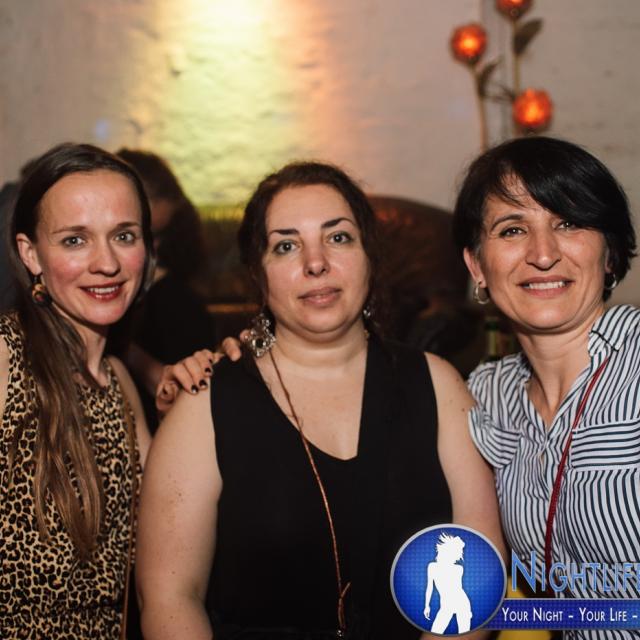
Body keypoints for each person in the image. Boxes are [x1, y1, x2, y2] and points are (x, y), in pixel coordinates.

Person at [137, 161, 504, 639]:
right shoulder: (204, 403)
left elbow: (478, 562)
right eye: (286, 246)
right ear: (258, 274)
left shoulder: (439, 384)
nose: (316, 263)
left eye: (338, 237)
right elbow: (169, 598)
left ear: (370, 256)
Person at [453, 136, 639, 636]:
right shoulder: (488, 395)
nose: (542, 254)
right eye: (513, 229)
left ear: (609, 253)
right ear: (477, 266)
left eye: (569, 223)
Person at [0, 142, 157, 639]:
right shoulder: (5, 360)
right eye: (75, 240)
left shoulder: (120, 383)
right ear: (31, 254)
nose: (107, 263)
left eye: (124, 236)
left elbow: (170, 533)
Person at [116, 148, 216, 432]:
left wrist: (121, 346)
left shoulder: (176, 301)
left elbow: (192, 397)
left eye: (155, 236)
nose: (152, 247)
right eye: (127, 235)